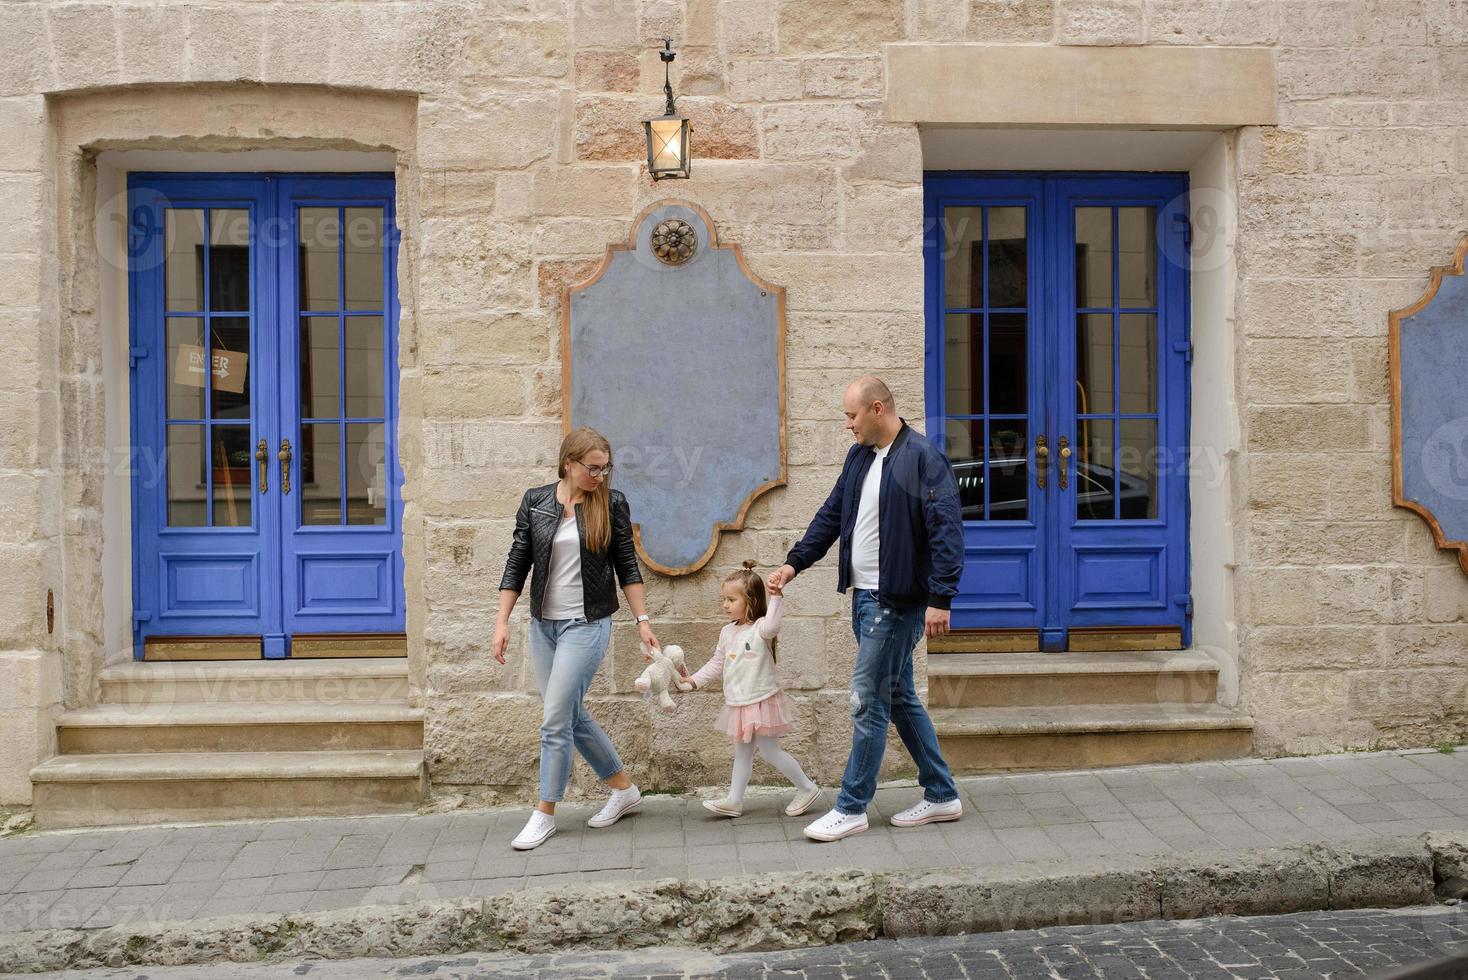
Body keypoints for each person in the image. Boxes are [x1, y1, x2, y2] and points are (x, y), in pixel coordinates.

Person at [767, 376, 965, 842]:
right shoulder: (859, 457)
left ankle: (852, 806)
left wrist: (941, 599)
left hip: (895, 602)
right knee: (898, 696)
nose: (847, 425)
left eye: (851, 416)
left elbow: (947, 530)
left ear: (877, 409)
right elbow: (832, 514)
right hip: (864, 598)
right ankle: (941, 794)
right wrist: (795, 563)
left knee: (866, 698)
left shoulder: (923, 458)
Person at [494, 427, 660, 850]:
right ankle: (623, 788)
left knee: (554, 720)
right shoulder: (535, 502)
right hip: (543, 625)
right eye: (593, 468)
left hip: (587, 624)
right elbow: (518, 561)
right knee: (567, 712)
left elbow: (627, 565)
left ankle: (544, 812)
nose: (600, 476)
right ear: (569, 463)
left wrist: (642, 620)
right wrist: (502, 621)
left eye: (606, 469)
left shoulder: (611, 502)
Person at [683, 561, 824, 819]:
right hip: (739, 702)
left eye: (731, 599)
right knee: (742, 753)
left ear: (750, 600)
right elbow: (717, 662)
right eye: (724, 599)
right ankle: (735, 801)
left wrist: (776, 596)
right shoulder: (727, 631)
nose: (725, 605)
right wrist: (693, 681)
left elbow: (773, 626)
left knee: (770, 752)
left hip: (761, 700)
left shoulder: (761, 629)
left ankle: (807, 788)